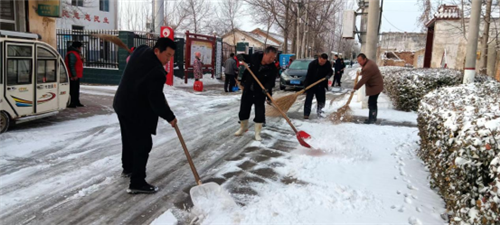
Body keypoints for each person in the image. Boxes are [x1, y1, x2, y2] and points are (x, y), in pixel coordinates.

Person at [113, 38, 177, 194]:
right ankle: (137, 182)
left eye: (171, 56)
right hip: (135, 110)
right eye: (167, 55)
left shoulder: (141, 49)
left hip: (121, 104)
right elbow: (155, 100)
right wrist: (170, 117)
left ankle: (128, 168)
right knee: (143, 145)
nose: (168, 60)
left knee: (128, 139)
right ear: (157, 51)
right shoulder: (157, 72)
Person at [235, 46, 278, 141]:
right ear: (265, 54)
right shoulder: (255, 57)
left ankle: (257, 133)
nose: (272, 60)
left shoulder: (272, 68)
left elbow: (271, 82)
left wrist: (266, 88)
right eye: (270, 57)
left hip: (260, 92)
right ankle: (243, 128)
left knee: (259, 113)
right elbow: (246, 57)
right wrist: (240, 56)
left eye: (273, 58)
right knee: (243, 110)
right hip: (248, 90)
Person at [353, 53, 384, 124]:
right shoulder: (368, 63)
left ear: (364, 59)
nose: (359, 63)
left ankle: (372, 119)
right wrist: (360, 73)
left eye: (360, 61)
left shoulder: (369, 67)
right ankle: (372, 118)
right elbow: (365, 72)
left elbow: (364, 79)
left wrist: (355, 87)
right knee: (372, 102)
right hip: (375, 85)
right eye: (358, 61)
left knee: (372, 103)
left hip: (375, 86)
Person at [304, 53, 332, 119]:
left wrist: (328, 76)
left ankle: (320, 112)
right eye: (321, 61)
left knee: (321, 100)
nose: (322, 63)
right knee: (308, 99)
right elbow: (308, 76)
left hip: (321, 84)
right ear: (319, 58)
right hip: (311, 84)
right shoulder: (312, 64)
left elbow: (330, 71)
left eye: (324, 62)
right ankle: (306, 114)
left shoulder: (327, 64)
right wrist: (306, 87)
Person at [65, 41, 84, 108]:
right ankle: (72, 102)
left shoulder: (76, 53)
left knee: (76, 89)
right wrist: (74, 75)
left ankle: (76, 101)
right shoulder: (72, 54)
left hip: (77, 75)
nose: (81, 49)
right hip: (72, 75)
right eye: (80, 47)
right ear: (77, 47)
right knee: (72, 89)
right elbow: (71, 65)